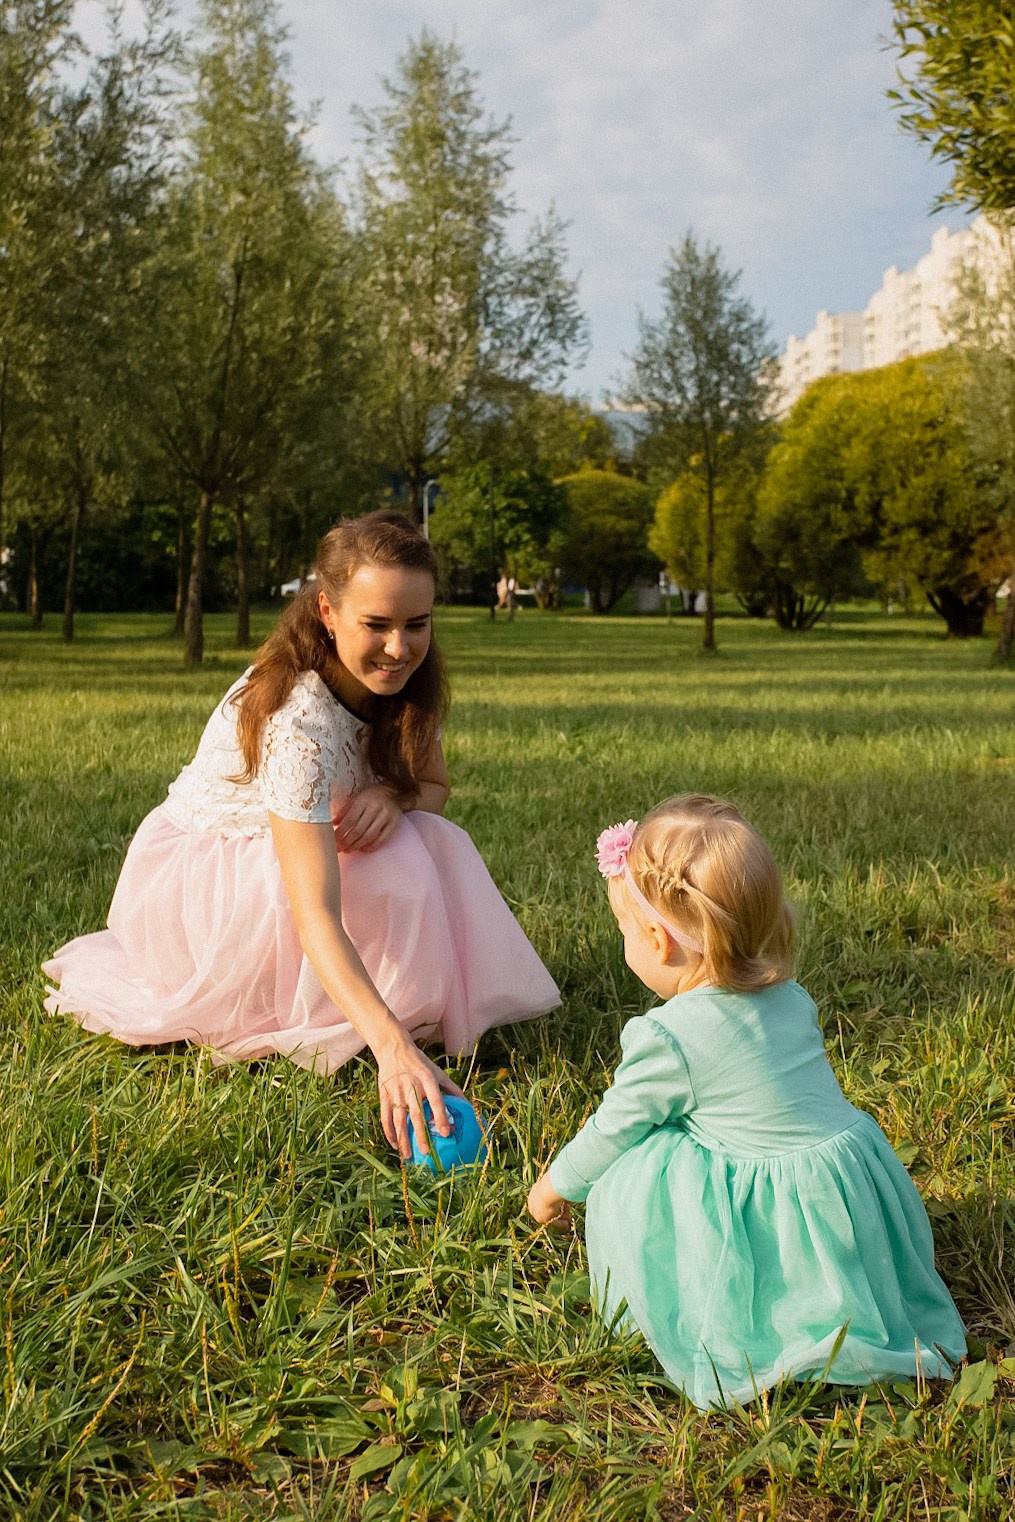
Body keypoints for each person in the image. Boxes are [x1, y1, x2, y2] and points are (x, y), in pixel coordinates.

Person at [44, 510, 560, 1159]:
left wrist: (392, 794)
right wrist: (391, 1052)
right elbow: (313, 911)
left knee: (433, 838)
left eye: (416, 624)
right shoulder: (297, 726)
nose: (399, 647)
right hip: (214, 885)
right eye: (376, 625)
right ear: (328, 611)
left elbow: (435, 788)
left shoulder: (404, 681)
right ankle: (372, 1022)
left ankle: (395, 1007)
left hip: (313, 849)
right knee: (394, 862)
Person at [526, 795, 965, 1410]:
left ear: (657, 940)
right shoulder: (793, 999)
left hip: (784, 1221)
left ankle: (765, 1310)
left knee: (646, 1158)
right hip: (852, 1194)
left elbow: (612, 1129)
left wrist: (553, 1186)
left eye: (624, 930)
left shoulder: (668, 1038)